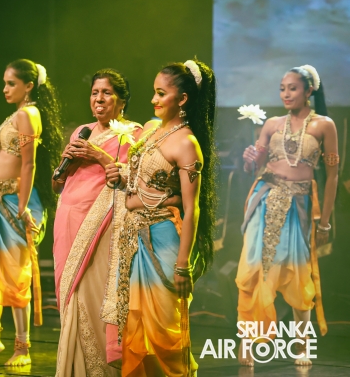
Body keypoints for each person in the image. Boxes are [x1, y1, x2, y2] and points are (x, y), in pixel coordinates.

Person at [106, 59, 217, 376]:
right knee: (136, 326)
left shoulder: (187, 143)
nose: (153, 99)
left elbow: (192, 208)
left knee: (164, 330)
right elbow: (142, 180)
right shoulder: (151, 130)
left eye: (161, 93)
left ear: (182, 99)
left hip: (164, 239)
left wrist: (183, 265)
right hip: (133, 239)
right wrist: (120, 177)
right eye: (154, 92)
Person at [0, 59, 62, 366]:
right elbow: (7, 159)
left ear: (28, 86)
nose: (5, 89)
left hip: (16, 203)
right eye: (4, 83)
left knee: (16, 275)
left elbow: (29, 164)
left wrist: (22, 205)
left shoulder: (28, 114)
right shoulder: (16, 115)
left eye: (11, 83)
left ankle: (23, 347)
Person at [236, 65, 337, 367]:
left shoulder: (324, 125)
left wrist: (325, 222)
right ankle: (247, 343)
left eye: (293, 88)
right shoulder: (272, 124)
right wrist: (248, 160)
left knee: (298, 275)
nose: (286, 94)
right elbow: (254, 167)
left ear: (309, 91)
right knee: (253, 271)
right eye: (282, 88)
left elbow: (332, 176)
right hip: (264, 201)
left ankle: (301, 346)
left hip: (298, 206)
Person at [53, 69, 144, 375]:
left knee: (92, 290)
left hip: (102, 223)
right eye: (95, 92)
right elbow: (57, 184)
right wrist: (63, 166)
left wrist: (99, 156)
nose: (99, 99)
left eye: (107, 93)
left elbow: (135, 180)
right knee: (69, 291)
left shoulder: (134, 133)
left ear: (122, 100)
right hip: (68, 217)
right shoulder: (82, 131)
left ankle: (99, 369)